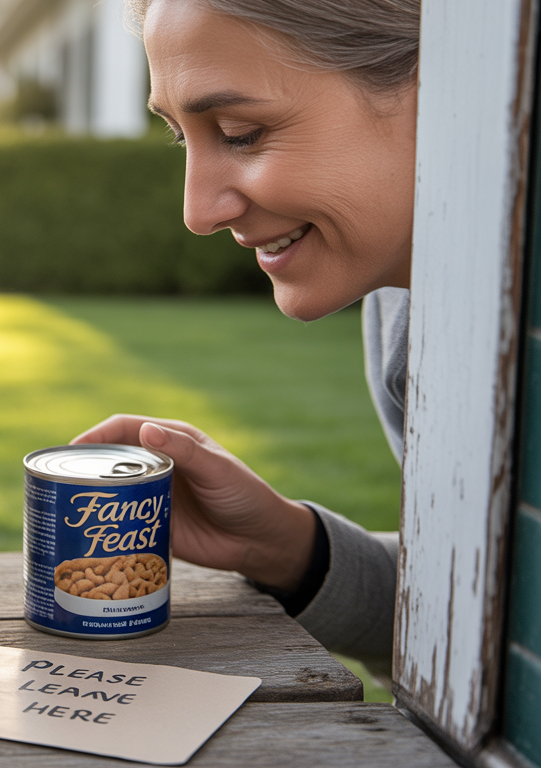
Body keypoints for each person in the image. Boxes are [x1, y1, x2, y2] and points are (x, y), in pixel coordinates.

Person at [75, 0, 420, 675]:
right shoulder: (399, 303)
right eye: (181, 138)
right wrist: (289, 551)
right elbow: (480, 610)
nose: (197, 212)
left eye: (241, 132)